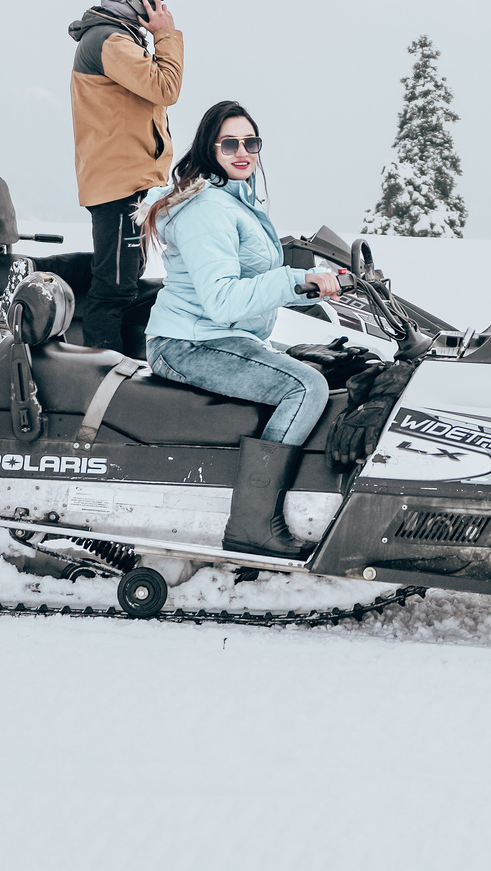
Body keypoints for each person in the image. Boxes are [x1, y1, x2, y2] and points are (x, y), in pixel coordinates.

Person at [139, 100, 343, 558]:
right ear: (209, 148)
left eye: (251, 142)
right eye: (230, 143)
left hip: (225, 337)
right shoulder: (208, 208)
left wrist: (315, 287)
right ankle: (254, 524)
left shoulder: (235, 198)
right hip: (188, 342)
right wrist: (296, 280)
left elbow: (251, 282)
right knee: (306, 387)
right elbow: (224, 300)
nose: (242, 152)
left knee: (328, 363)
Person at [69, 0, 184, 355]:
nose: (163, 3)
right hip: (119, 187)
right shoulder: (109, 40)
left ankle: (118, 365)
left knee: (127, 280)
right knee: (114, 288)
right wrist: (167, 35)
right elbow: (165, 87)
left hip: (132, 184)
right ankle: (97, 374)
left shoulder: (121, 36)